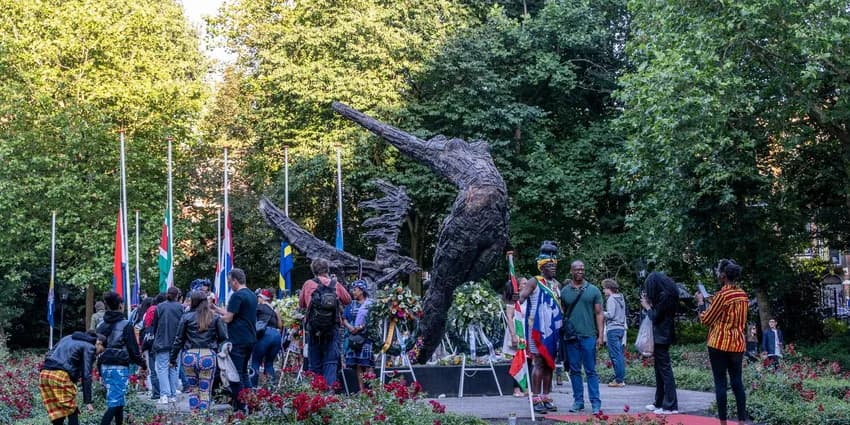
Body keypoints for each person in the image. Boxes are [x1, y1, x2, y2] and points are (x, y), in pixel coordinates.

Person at [697, 259, 748, 425]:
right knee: (737, 383)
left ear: (723, 276)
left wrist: (700, 304)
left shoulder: (722, 295)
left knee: (720, 384)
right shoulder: (743, 295)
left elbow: (706, 320)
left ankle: (723, 422)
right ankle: (741, 420)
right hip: (738, 343)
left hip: (719, 343)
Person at [518, 241, 562, 414]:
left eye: (554, 265)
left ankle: (546, 396)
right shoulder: (534, 281)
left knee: (550, 364)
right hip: (536, 329)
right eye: (549, 265)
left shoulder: (557, 285)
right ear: (542, 267)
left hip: (552, 330)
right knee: (539, 362)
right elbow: (521, 297)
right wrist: (516, 297)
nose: (553, 268)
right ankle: (535, 398)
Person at [169, 290, 228, 411]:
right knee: (205, 391)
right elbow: (223, 337)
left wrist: (172, 359)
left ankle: (194, 418)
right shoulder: (215, 317)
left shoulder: (186, 317)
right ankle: (203, 419)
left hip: (189, 356)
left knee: (193, 390)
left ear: (193, 302)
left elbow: (178, 339)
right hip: (208, 356)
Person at [96, 291, 148, 425]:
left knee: (118, 400)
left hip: (104, 365)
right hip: (119, 365)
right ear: (120, 305)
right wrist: (143, 364)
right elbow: (133, 349)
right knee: (115, 402)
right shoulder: (126, 325)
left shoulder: (101, 325)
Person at [298, 258, 351, 389]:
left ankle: (316, 395)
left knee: (314, 362)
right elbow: (348, 300)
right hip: (333, 327)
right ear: (327, 269)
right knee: (331, 361)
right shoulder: (335, 284)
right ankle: (330, 396)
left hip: (313, 328)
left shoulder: (308, 284)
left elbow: (301, 304)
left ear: (313, 270)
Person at [560, 259, 604, 414]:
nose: (580, 272)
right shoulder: (564, 291)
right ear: (571, 271)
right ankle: (578, 401)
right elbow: (562, 313)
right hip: (571, 337)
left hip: (589, 335)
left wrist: (601, 335)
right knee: (574, 370)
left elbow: (599, 314)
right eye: (577, 269)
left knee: (591, 370)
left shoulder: (593, 290)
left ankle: (595, 402)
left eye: (582, 269)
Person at [213, 267, 257, 412]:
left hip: (238, 339)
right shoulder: (251, 295)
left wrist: (214, 317)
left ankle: (240, 407)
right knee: (244, 373)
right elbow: (236, 314)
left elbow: (228, 318)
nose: (229, 284)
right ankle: (251, 404)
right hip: (250, 338)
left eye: (229, 282)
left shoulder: (237, 296)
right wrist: (216, 308)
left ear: (235, 281)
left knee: (234, 375)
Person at [40, 330, 106, 425]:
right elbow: (86, 375)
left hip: (44, 374)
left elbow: (49, 353)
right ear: (98, 343)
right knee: (72, 410)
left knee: (58, 411)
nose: (98, 354)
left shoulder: (68, 337)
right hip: (60, 375)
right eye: (100, 350)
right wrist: (88, 401)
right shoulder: (89, 347)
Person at [641, 272, 679, 415]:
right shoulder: (667, 295)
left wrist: (647, 306)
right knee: (659, 370)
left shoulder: (665, 296)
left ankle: (670, 405)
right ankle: (659, 402)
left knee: (665, 370)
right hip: (662, 335)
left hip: (661, 336)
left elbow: (655, 317)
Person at [152, 287, 184, 404]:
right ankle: (172, 394)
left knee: (162, 369)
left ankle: (164, 395)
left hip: (162, 342)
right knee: (174, 368)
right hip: (176, 343)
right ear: (177, 296)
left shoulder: (159, 307)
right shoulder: (180, 307)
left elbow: (154, 325)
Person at [343, 280, 375, 392]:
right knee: (357, 364)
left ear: (362, 291)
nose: (353, 292)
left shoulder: (370, 304)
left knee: (367, 363)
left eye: (355, 290)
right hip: (354, 338)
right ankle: (362, 390)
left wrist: (361, 327)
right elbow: (344, 318)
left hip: (366, 337)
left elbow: (373, 319)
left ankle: (371, 389)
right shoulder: (351, 305)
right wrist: (350, 327)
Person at [251, 289, 283, 387]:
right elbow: (280, 326)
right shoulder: (274, 310)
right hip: (276, 336)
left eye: (258, 297)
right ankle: (270, 389)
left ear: (262, 298)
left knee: (255, 362)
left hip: (265, 335)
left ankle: (252, 389)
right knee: (269, 363)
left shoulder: (259, 307)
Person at [602, 278, 627, 388]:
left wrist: (600, 312)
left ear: (609, 289)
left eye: (604, 288)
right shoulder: (621, 298)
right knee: (619, 354)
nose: (603, 291)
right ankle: (620, 378)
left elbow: (611, 314)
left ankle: (619, 380)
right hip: (621, 328)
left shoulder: (611, 299)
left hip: (613, 329)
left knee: (615, 355)